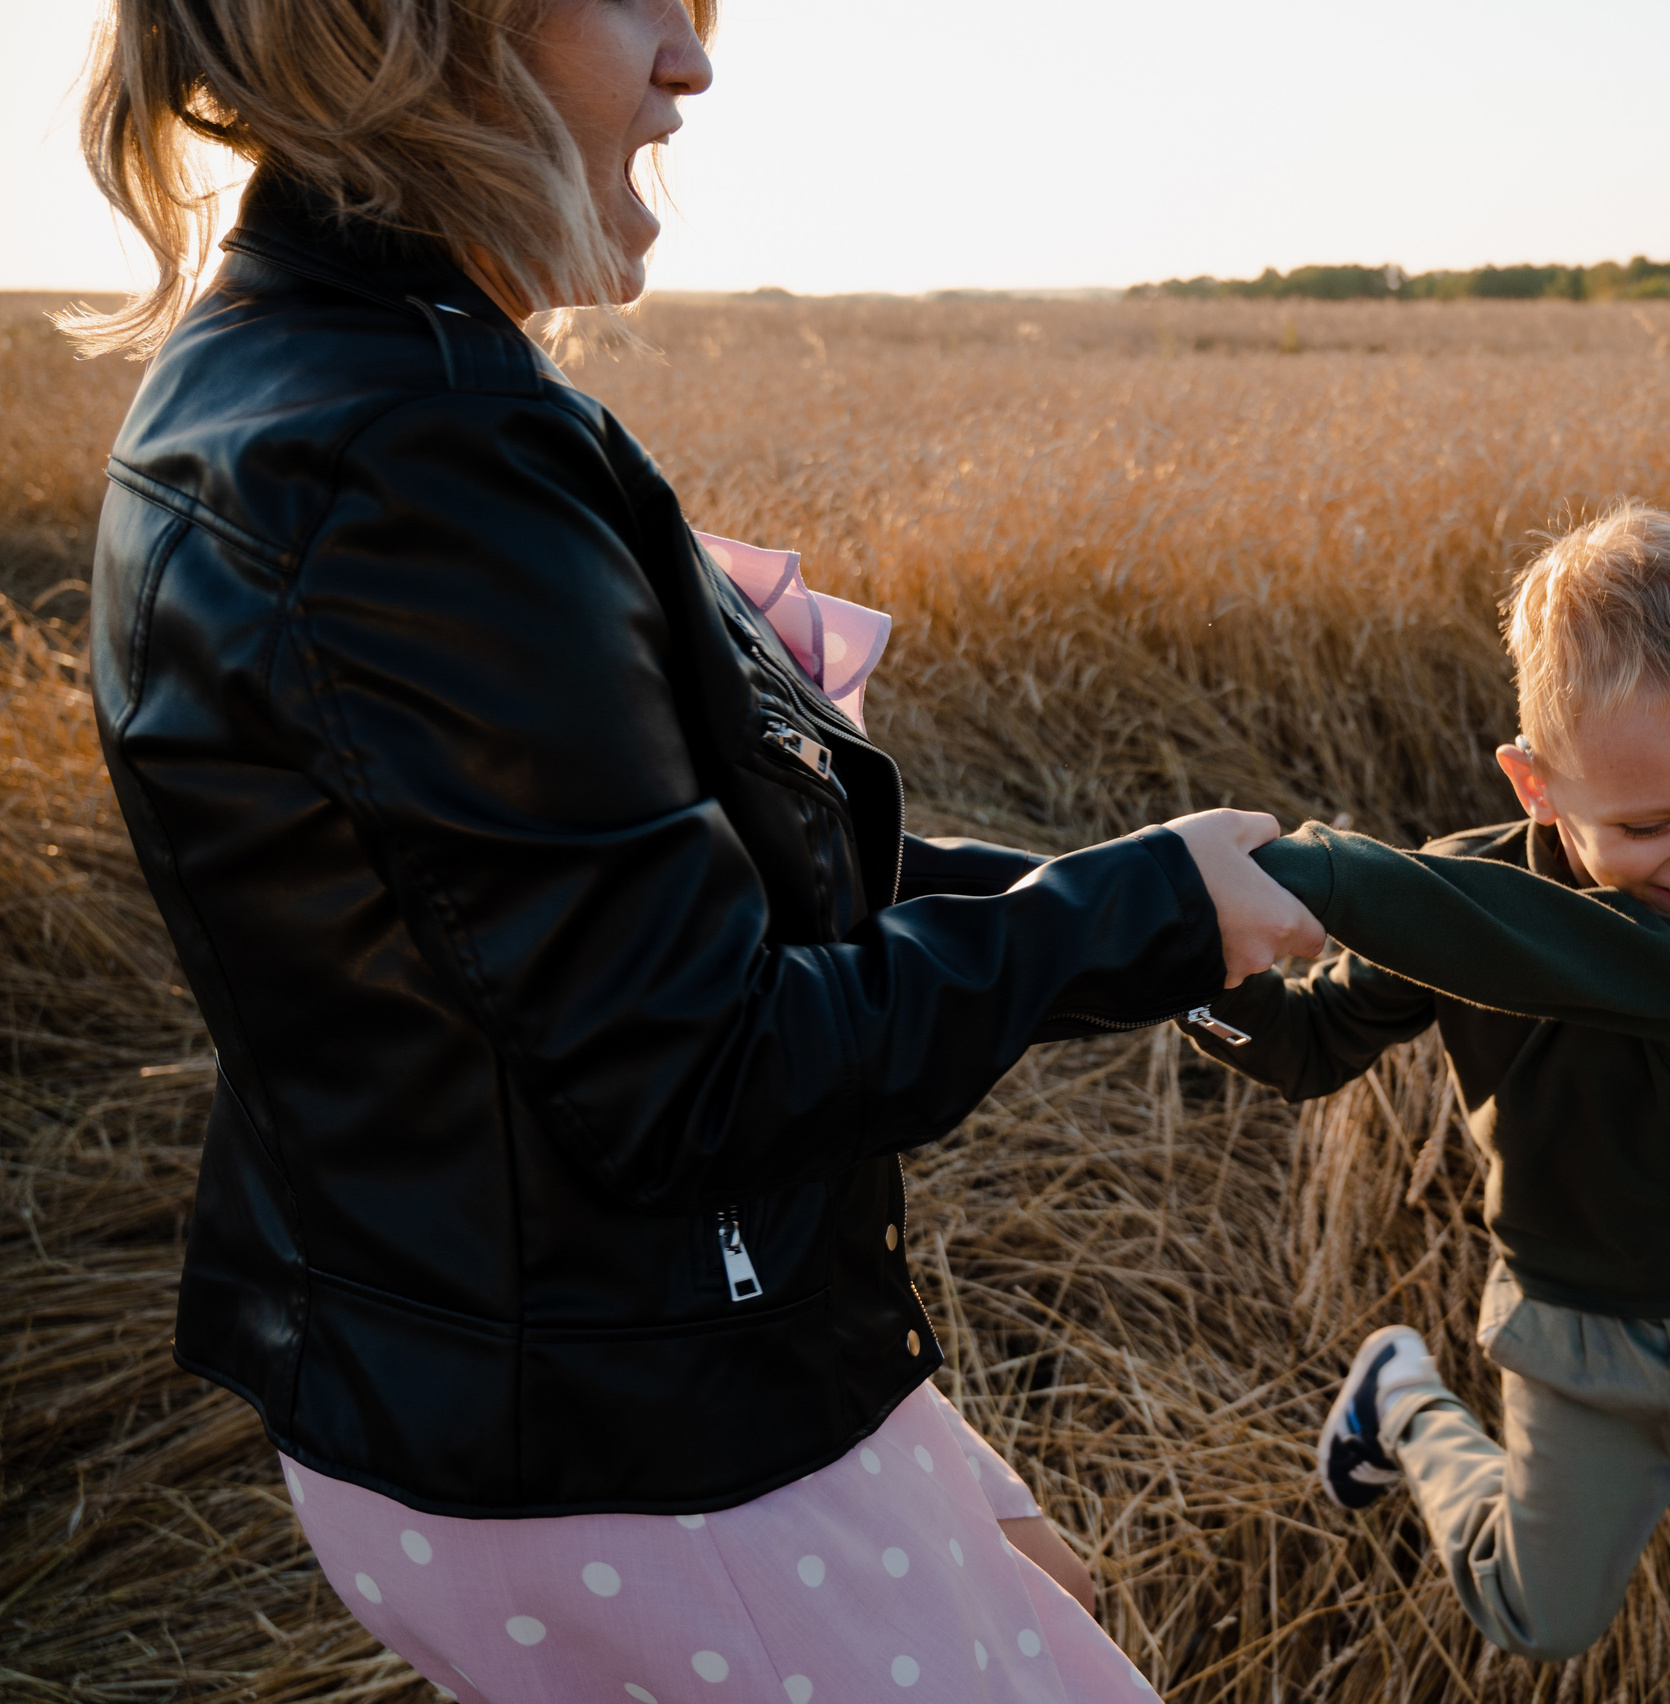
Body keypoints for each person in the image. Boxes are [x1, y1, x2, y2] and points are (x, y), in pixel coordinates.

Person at [72, 1, 1323, 1700]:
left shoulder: (295, 373)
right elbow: (694, 1067)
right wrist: (1133, 913)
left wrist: (1173, 906)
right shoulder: (416, 457)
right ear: (407, 33)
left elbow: (672, 904)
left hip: (517, 1375)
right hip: (631, 1439)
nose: (692, 60)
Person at [1180, 504, 1670, 1701]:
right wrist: (1190, 962)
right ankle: (1402, 1400)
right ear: (1534, 783)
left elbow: (1620, 969)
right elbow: (1310, 1044)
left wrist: (1327, 872)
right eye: (1648, 823)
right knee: (1540, 1616)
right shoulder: (1460, 899)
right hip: (1578, 1337)